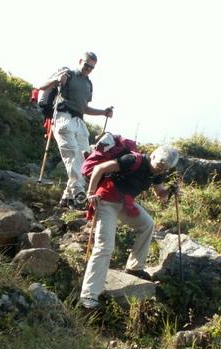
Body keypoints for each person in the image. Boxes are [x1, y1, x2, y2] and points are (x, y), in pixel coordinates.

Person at [79, 145, 180, 309]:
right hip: (106, 201)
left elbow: (160, 194)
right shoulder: (133, 160)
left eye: (165, 169)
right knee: (105, 246)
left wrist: (170, 191)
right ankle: (89, 295)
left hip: (125, 203)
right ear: (153, 156)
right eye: (161, 165)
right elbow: (100, 168)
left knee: (147, 224)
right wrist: (90, 193)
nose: (161, 170)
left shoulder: (158, 173)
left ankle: (134, 267)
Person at [37, 52, 113, 209]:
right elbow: (41, 86)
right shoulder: (68, 73)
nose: (88, 69)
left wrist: (103, 112)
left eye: (92, 67)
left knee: (85, 159)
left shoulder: (88, 84)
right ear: (80, 61)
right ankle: (79, 193)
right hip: (63, 116)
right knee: (72, 155)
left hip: (79, 121)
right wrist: (57, 80)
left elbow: (84, 107)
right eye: (86, 65)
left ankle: (67, 198)